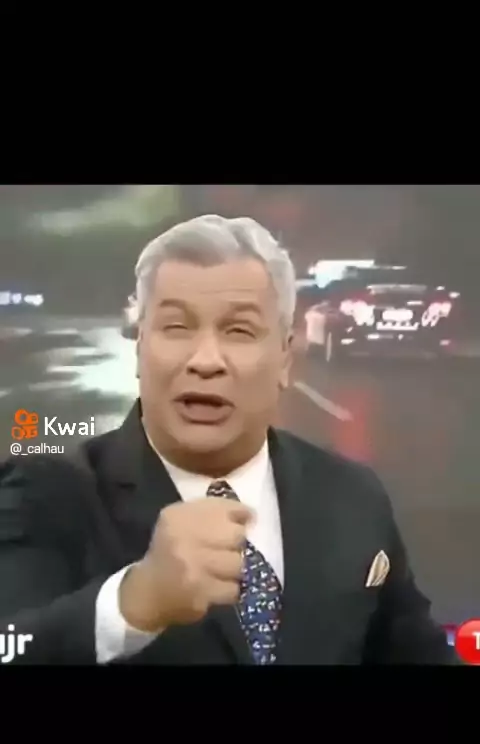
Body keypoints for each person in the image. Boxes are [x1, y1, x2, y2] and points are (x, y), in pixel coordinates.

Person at [0, 214, 454, 665]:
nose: (205, 360)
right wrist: (132, 604)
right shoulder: (45, 492)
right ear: (139, 347)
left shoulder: (352, 496)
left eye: (239, 331)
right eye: (177, 327)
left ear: (284, 358)